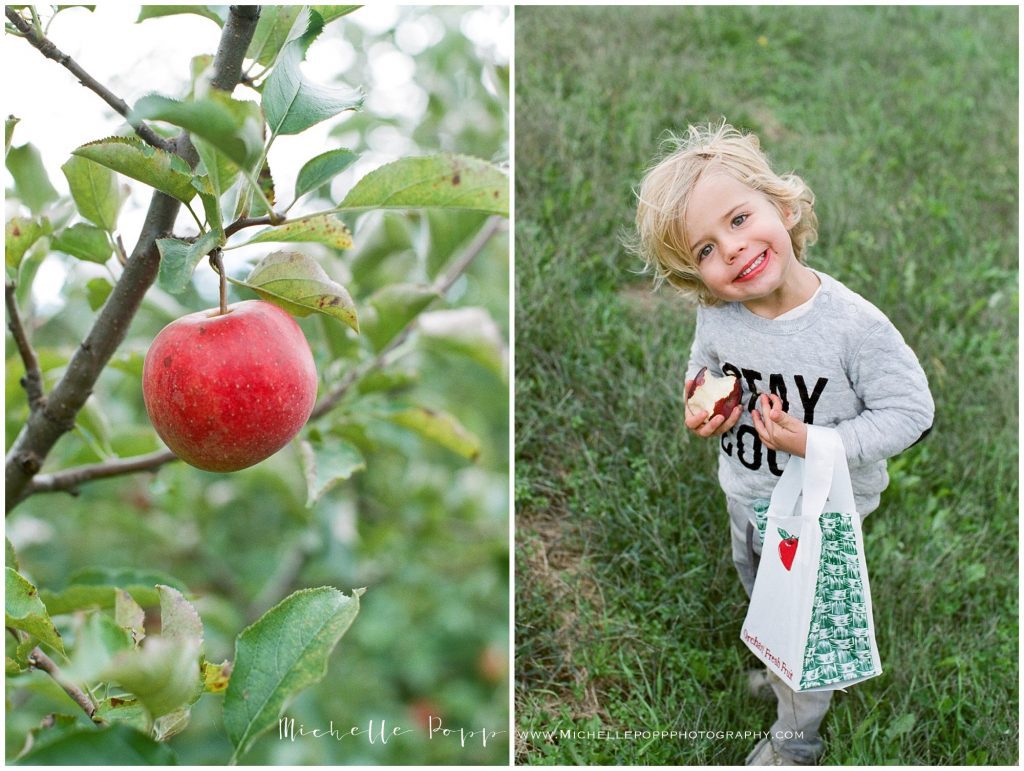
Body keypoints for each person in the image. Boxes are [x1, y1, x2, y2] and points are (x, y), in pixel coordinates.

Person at [631, 122, 934, 765]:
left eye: (741, 219)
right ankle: (782, 672)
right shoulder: (718, 313)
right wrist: (701, 402)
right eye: (707, 249)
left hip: (820, 514)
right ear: (694, 275)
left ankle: (797, 738)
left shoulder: (853, 326)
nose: (734, 251)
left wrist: (816, 441)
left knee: (804, 626)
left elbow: (912, 411)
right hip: (746, 496)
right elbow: (701, 369)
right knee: (762, 595)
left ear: (786, 207)